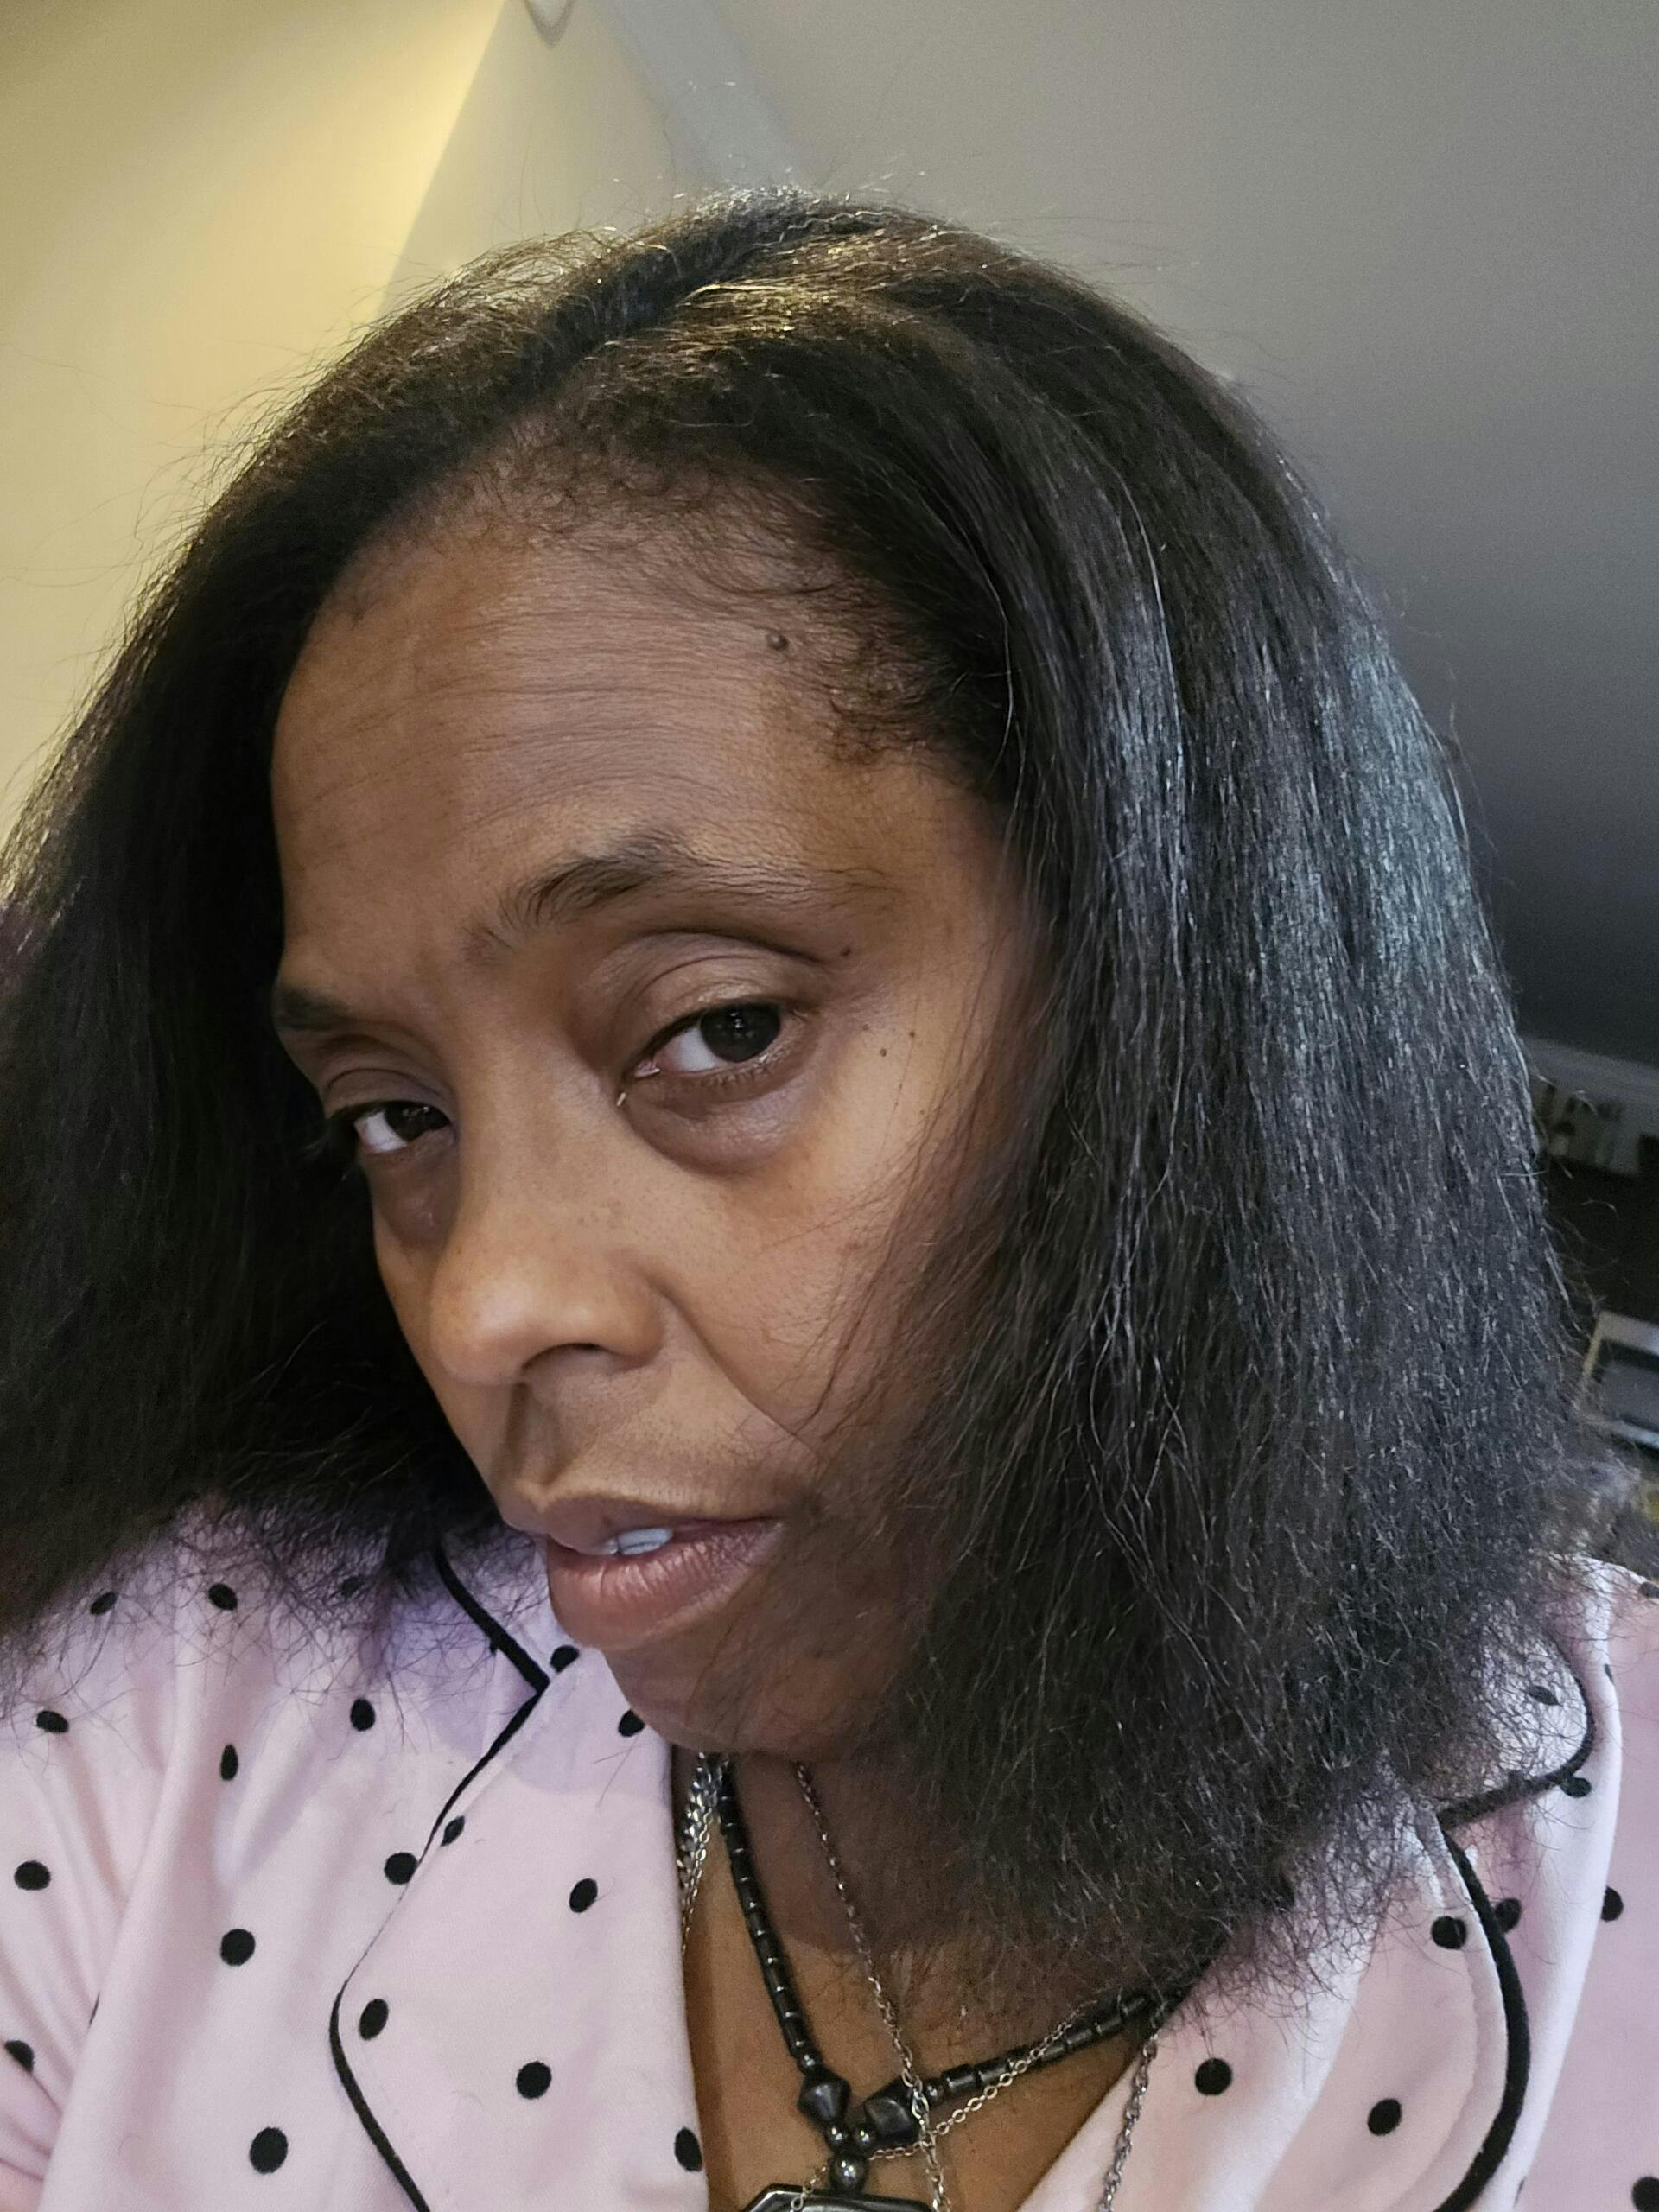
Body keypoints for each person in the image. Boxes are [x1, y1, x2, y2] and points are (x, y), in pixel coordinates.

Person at [0, 188, 1651, 2212]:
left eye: (716, 1028)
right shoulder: (177, 1717)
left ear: (1198, 1012)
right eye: (396, 1114)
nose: (483, 1302)